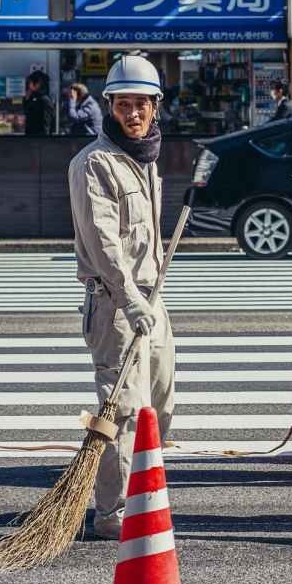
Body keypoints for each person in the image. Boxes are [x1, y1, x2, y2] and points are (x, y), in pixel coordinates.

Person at [67, 55, 174, 541]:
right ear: (109, 106)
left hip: (153, 304)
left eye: (142, 104)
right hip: (116, 306)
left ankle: (144, 492)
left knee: (161, 405)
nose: (133, 113)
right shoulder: (94, 163)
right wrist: (131, 298)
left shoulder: (144, 158)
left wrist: (149, 297)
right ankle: (112, 512)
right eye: (124, 104)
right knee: (122, 412)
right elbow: (103, 241)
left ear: (156, 107)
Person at [24, 71, 56, 136]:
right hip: (31, 136)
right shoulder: (34, 97)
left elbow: (46, 123)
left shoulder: (44, 100)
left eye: (30, 83)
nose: (28, 86)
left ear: (37, 84)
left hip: (39, 138)